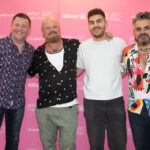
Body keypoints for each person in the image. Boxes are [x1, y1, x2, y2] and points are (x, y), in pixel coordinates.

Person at [77, 8, 127, 150]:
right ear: (88, 25)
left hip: (115, 101)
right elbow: (79, 70)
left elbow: (128, 65)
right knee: (95, 145)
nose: (96, 25)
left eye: (99, 21)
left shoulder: (119, 43)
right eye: (92, 22)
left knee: (119, 145)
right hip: (92, 103)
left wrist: (116, 75)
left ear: (105, 22)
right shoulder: (83, 47)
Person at [27, 17, 80, 150]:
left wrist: (106, 37)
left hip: (69, 108)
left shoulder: (74, 45)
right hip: (45, 110)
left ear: (59, 29)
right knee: (48, 146)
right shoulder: (38, 53)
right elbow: (31, 72)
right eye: (48, 28)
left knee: (68, 146)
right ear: (43, 32)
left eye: (54, 27)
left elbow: (90, 53)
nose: (52, 30)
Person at [0, 13, 34, 150]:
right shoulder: (1, 45)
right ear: (11, 26)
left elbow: (33, 71)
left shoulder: (31, 50)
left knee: (13, 140)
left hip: (18, 103)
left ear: (28, 29)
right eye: (17, 25)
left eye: (24, 26)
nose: (20, 29)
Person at [121, 12, 150, 150]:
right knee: (141, 146)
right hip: (136, 109)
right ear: (134, 31)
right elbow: (118, 73)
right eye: (139, 29)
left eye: (147, 27)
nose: (142, 32)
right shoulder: (128, 51)